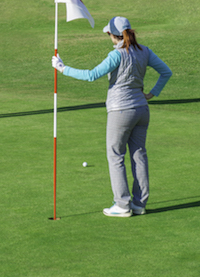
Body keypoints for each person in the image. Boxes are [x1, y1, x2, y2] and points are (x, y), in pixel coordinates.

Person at [52, 16, 171, 217]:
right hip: (142, 110)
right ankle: (139, 204)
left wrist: (63, 69)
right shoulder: (145, 51)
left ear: (112, 35)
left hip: (120, 111)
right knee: (139, 155)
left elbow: (90, 75)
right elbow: (166, 72)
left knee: (115, 155)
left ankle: (123, 205)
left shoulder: (116, 55)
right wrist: (151, 94)